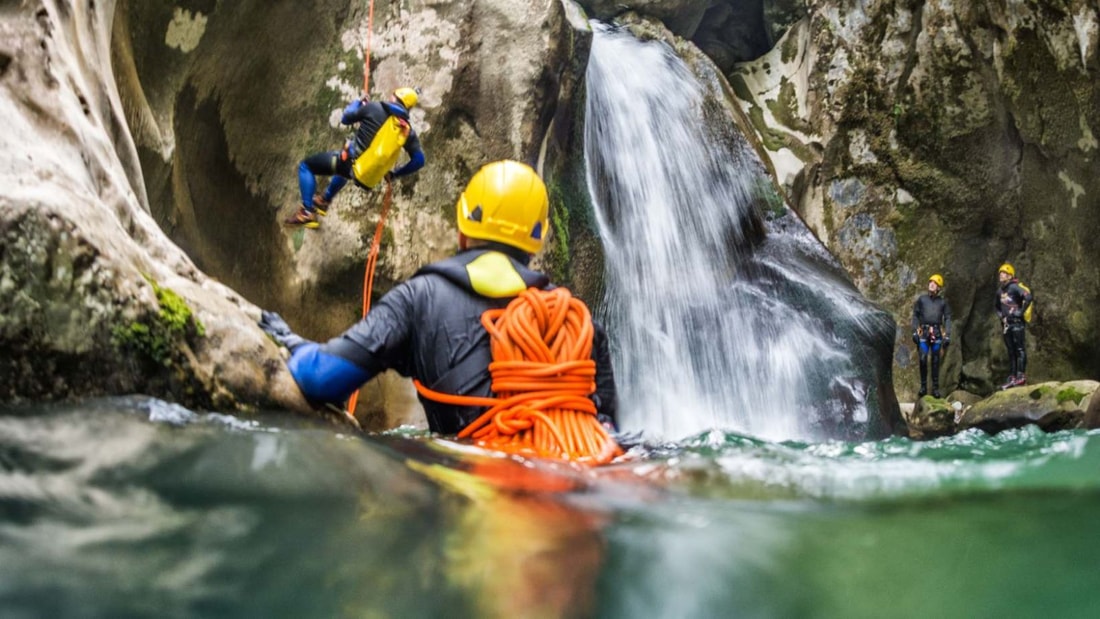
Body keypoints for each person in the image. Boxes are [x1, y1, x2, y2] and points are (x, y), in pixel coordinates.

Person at [261, 160, 619, 434]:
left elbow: (322, 378)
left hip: (470, 491)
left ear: (463, 225)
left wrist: (293, 342)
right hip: (573, 490)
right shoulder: (578, 321)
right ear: (537, 240)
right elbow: (608, 431)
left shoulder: (419, 299)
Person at [285, 87, 426, 228]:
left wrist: (359, 102)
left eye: (393, 95)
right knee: (345, 170)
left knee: (306, 166)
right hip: (365, 176)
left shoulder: (375, 108)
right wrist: (395, 174)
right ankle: (324, 200)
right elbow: (419, 161)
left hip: (350, 162)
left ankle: (307, 212)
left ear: (396, 97)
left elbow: (346, 117)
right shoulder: (406, 131)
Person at [911, 273, 952, 398]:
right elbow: (915, 315)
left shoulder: (942, 303)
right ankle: (923, 387)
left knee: (935, 361)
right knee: (923, 359)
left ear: (939, 287)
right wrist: (914, 331)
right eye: (930, 282)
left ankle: (935, 388)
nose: (932, 284)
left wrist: (947, 335)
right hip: (924, 332)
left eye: (935, 283)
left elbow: (948, 318)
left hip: (937, 334)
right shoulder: (922, 300)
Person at [995, 262, 1033, 390]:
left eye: (1004, 273)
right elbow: (997, 307)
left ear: (1010, 276)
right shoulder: (1000, 291)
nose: (1001, 275)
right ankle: (1012, 377)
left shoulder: (1015, 287)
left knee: (1020, 349)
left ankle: (1021, 376)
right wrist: (1001, 317)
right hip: (1007, 325)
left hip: (1017, 324)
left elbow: (1028, 297)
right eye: (1000, 273)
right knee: (1011, 352)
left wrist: (1020, 312)